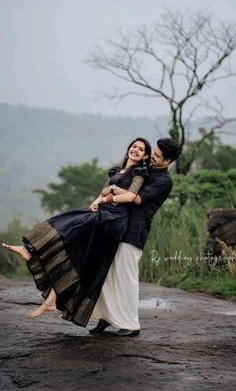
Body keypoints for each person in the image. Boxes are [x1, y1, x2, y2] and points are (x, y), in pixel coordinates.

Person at [2, 138, 152, 328]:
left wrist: (110, 192)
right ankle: (47, 292)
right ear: (129, 148)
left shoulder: (139, 173)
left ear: (145, 155)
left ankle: (32, 254)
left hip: (114, 220)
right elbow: (102, 192)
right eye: (134, 147)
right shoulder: (116, 171)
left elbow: (130, 196)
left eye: (141, 149)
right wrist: (96, 200)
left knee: (69, 228)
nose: (136, 150)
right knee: (76, 252)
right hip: (103, 213)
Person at [90, 138, 180, 336]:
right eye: (153, 153)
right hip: (118, 227)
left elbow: (136, 198)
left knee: (126, 277)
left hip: (134, 232)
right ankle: (106, 318)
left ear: (167, 162)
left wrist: (111, 191)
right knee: (109, 275)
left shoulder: (164, 180)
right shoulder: (148, 170)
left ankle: (131, 324)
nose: (153, 157)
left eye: (157, 156)